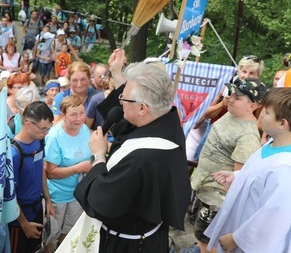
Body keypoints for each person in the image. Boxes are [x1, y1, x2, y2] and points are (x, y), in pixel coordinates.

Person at [73, 54, 191, 252]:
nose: (119, 101)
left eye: (123, 98)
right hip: (151, 236)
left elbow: (100, 201)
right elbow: (129, 122)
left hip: (129, 245)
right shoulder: (169, 124)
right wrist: (117, 73)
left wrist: (98, 156)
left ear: (143, 108)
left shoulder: (141, 159)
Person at [184, 78, 267, 253]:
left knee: (208, 241)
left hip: (216, 200)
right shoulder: (230, 113)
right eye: (231, 94)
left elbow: (238, 179)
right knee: (199, 235)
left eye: (237, 98)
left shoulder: (247, 136)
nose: (230, 98)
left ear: (253, 106)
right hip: (203, 187)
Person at [204, 88, 291, 253]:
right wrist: (237, 176)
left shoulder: (285, 168)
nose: (261, 114)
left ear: (282, 123)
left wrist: (237, 239)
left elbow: (275, 215)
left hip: (246, 244)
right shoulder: (273, 144)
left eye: (266, 111)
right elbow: (260, 173)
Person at [44, 95, 92, 247]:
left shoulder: (84, 129)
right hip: (58, 194)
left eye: (82, 113)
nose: (79, 119)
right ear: (63, 115)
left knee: (70, 232)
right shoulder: (54, 137)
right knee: (52, 236)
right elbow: (50, 172)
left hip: (78, 193)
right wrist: (78, 168)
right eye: (73, 114)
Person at [9, 101, 54, 253]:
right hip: (19, 219)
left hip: (37, 210)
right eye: (43, 129)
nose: (46, 132)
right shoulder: (14, 153)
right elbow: (9, 194)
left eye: (49, 128)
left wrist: (48, 200)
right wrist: (23, 223)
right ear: (28, 124)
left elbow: (40, 169)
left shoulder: (39, 141)